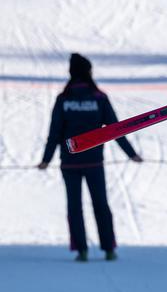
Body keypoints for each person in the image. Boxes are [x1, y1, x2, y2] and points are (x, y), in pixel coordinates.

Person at [38, 53, 142, 262]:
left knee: (74, 207)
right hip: (94, 162)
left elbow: (55, 132)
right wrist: (131, 154)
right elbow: (115, 129)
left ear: (71, 73)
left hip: (69, 163)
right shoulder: (99, 97)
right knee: (101, 204)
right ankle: (109, 249)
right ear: (88, 72)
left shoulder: (64, 98)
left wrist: (46, 160)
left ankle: (81, 251)